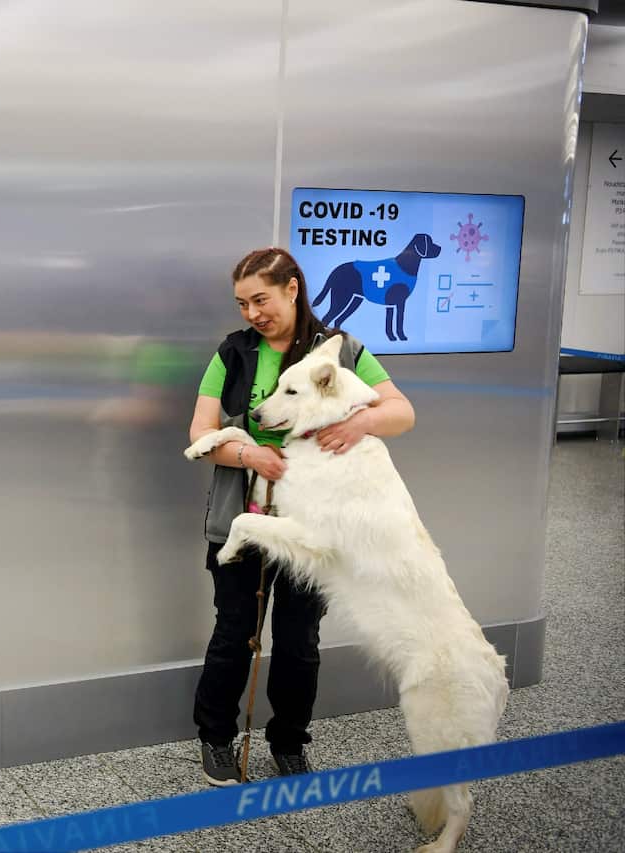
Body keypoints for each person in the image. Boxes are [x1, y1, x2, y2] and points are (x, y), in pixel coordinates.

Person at [187, 247, 414, 785]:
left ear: (293, 289)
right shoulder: (233, 354)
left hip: (314, 525)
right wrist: (251, 454)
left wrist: (360, 425)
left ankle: (289, 743)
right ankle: (215, 739)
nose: (251, 314)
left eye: (260, 300)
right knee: (234, 631)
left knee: (298, 639)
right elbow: (200, 434)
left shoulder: (340, 352)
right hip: (243, 513)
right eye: (242, 303)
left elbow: (401, 412)